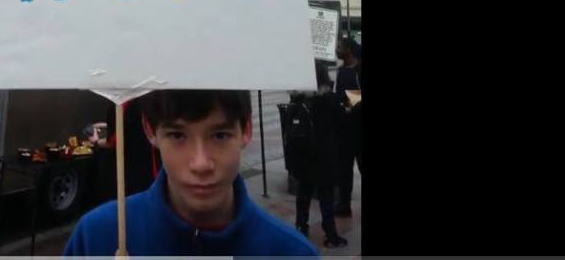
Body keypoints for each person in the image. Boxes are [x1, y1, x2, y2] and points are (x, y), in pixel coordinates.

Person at [63, 89, 317, 256]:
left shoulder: (291, 252)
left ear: (246, 129)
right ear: (150, 130)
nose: (201, 163)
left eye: (219, 135)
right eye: (177, 135)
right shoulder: (97, 239)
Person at [286, 61, 349, 247]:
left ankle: (301, 226)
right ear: (323, 76)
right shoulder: (328, 99)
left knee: (303, 193)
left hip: (304, 155)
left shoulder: (297, 98)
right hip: (324, 156)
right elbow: (342, 122)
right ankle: (330, 235)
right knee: (326, 196)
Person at [333, 37, 363, 216]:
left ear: (349, 51)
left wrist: (349, 106)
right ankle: (344, 206)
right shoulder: (341, 70)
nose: (336, 49)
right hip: (344, 130)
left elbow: (355, 96)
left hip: (359, 129)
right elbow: (340, 95)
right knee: (344, 170)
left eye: (339, 47)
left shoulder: (359, 69)